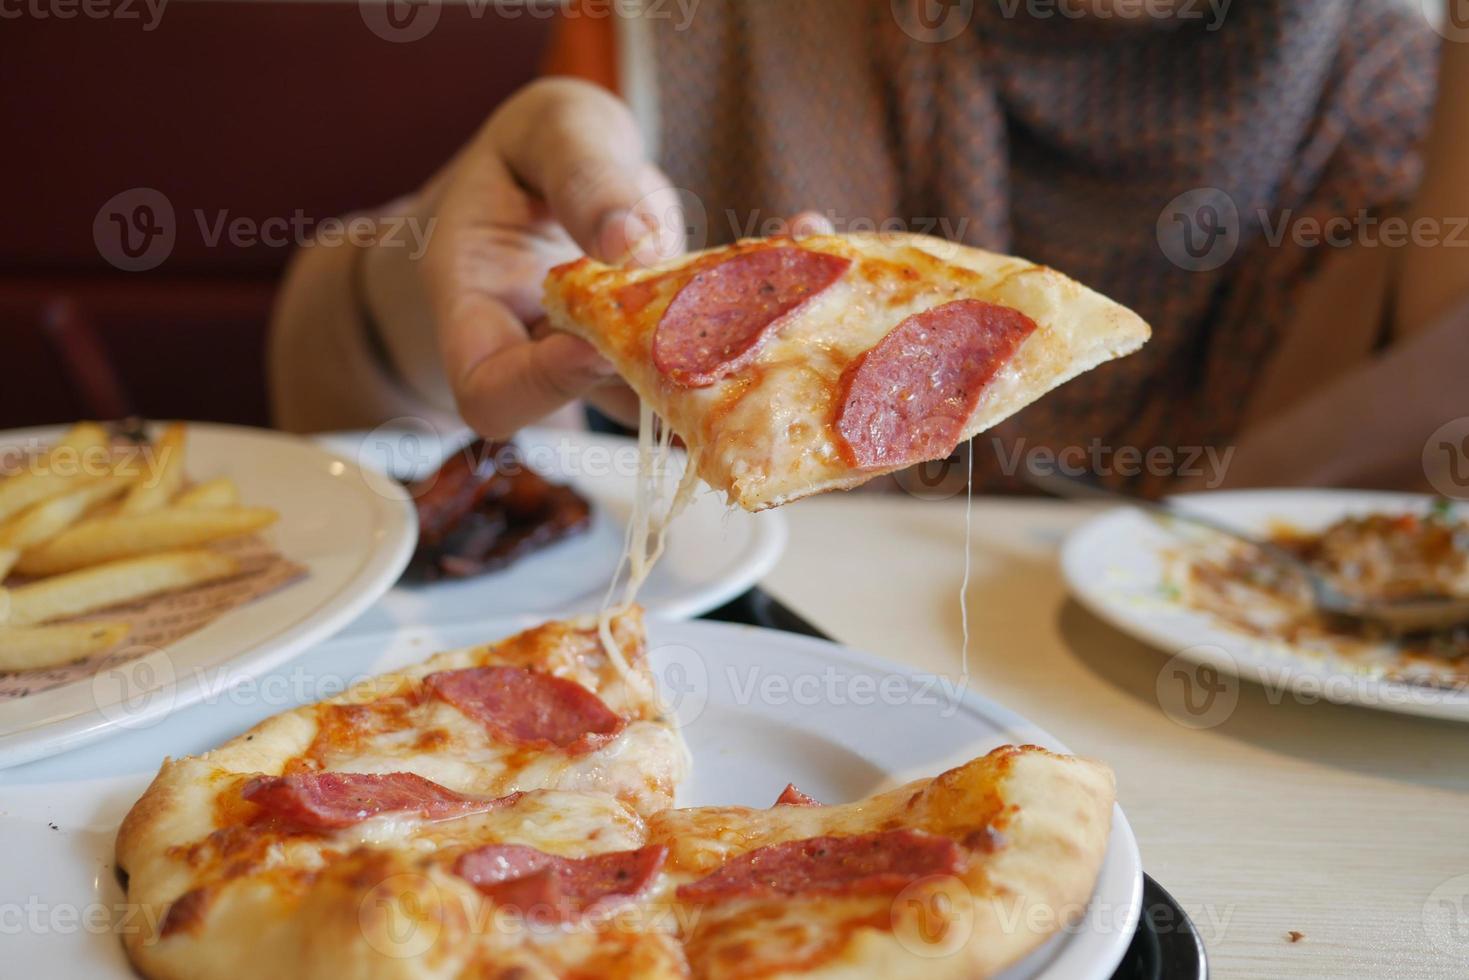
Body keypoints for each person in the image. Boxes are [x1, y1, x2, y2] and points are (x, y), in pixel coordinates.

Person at [269, 0, 1469, 495]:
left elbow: (1415, 509)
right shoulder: (700, 29)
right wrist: (424, 296)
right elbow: (354, 408)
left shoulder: (1411, 90)